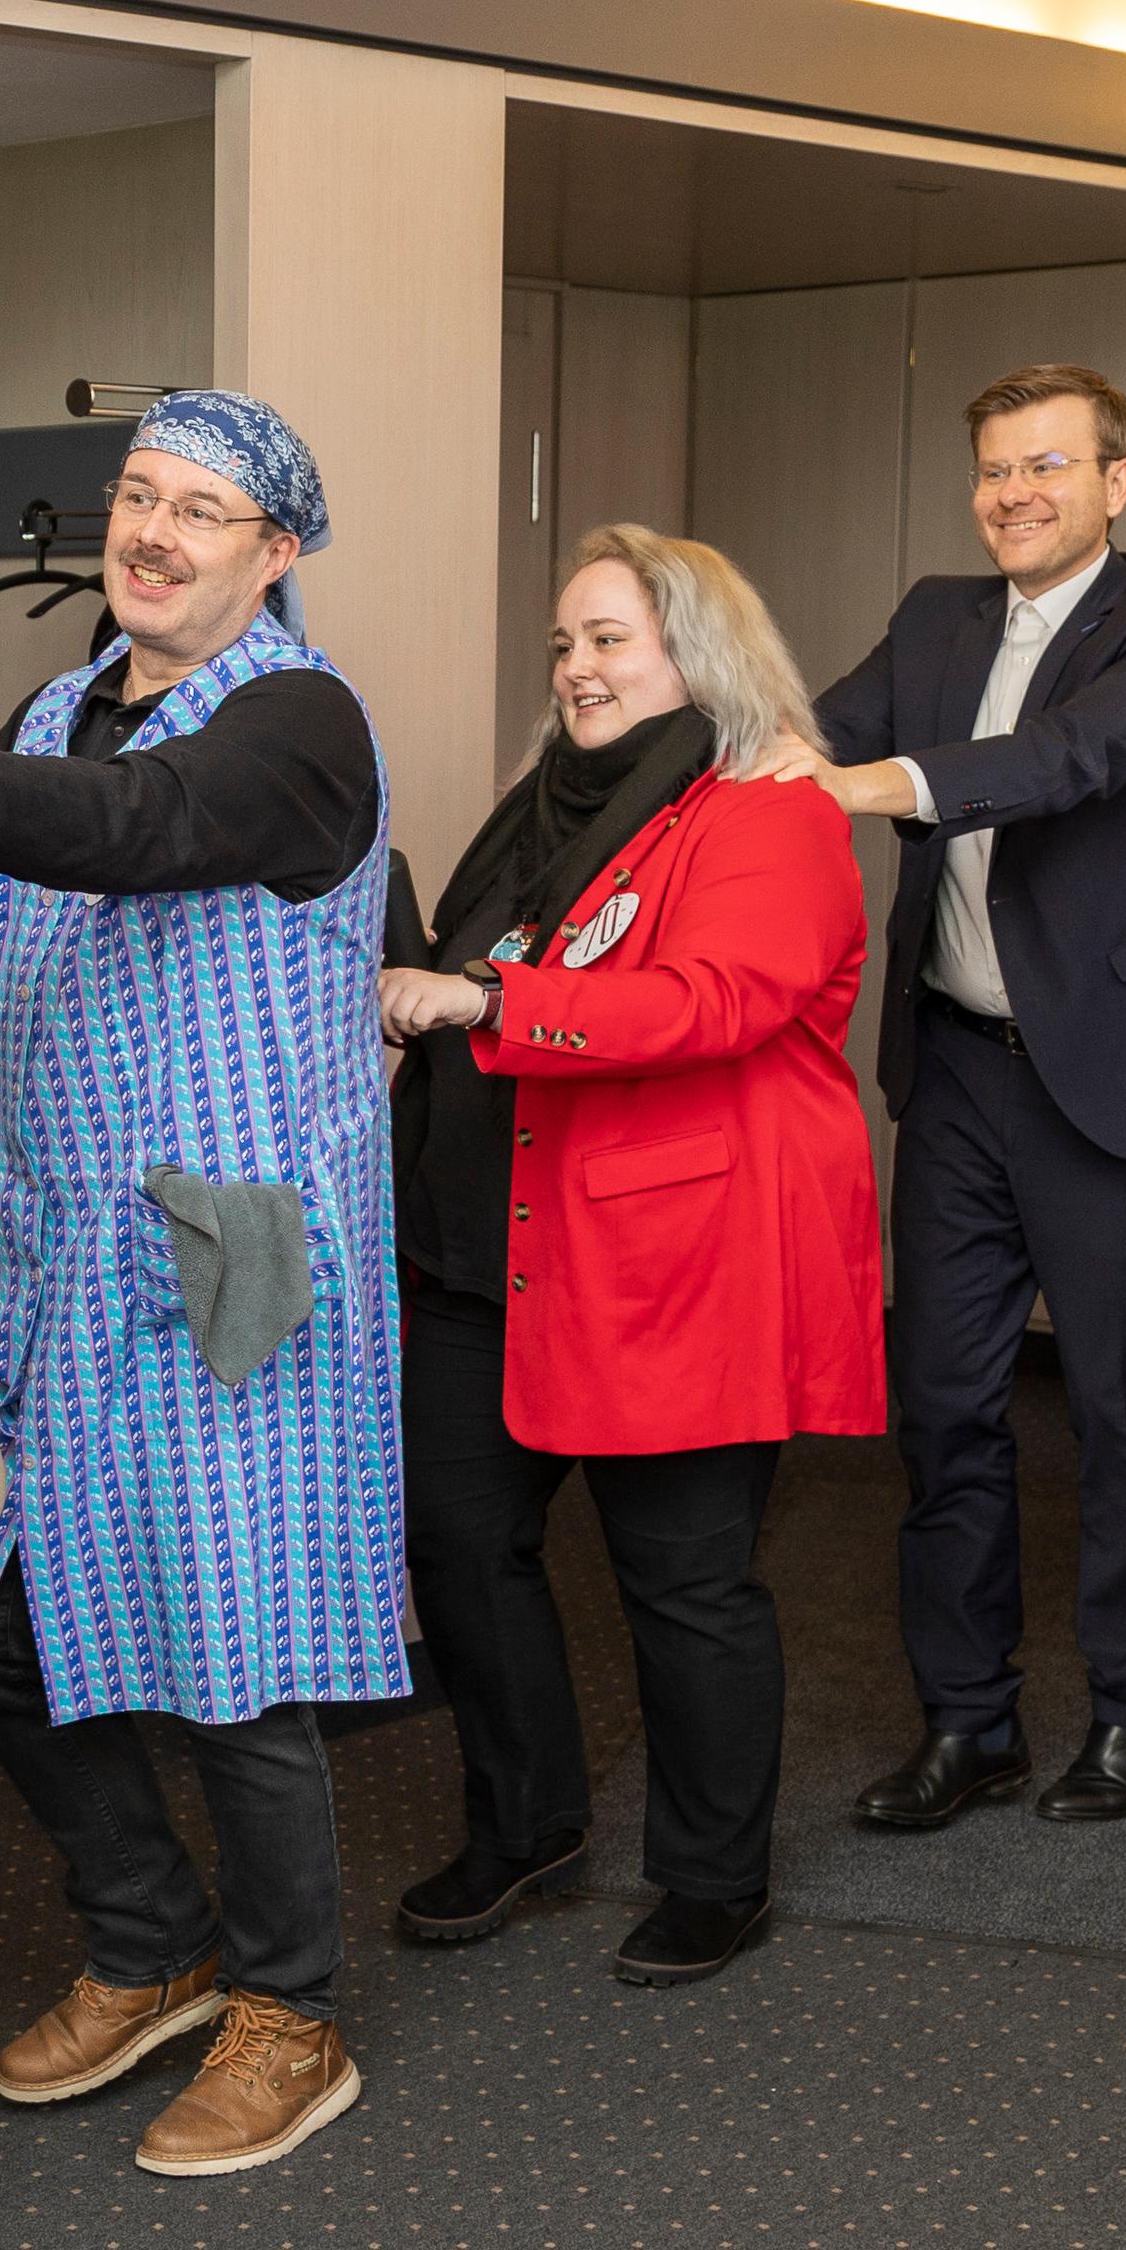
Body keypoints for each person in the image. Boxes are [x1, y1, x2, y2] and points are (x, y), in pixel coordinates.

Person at [0, 388, 401, 2176]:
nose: (151, 530)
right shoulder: (56, 703)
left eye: (198, 509)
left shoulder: (298, 723)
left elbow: (133, 830)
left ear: (273, 550)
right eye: (138, 496)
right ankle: (154, 1940)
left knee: (237, 1645)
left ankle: (293, 2010)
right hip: (42, 1253)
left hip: (224, 1253)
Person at [744, 362, 1126, 1831]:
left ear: (1117, 480)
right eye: (994, 472)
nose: (1015, 497)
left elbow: (1065, 761)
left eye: (1047, 468)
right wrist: (680, 719)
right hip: (962, 1069)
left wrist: (878, 786)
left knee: (1117, 1415)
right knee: (948, 1411)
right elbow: (808, 728)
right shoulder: (935, 615)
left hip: (1116, 1077)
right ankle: (968, 1720)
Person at [373, 525, 882, 1986]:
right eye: (565, 644)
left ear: (695, 652)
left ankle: (717, 1876)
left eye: (611, 638)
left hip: (677, 1260)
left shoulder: (766, 806)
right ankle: (526, 1824)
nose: (578, 668)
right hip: (493, 1245)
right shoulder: (548, 809)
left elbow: (715, 1000)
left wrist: (484, 1002)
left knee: (685, 1581)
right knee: (465, 1549)